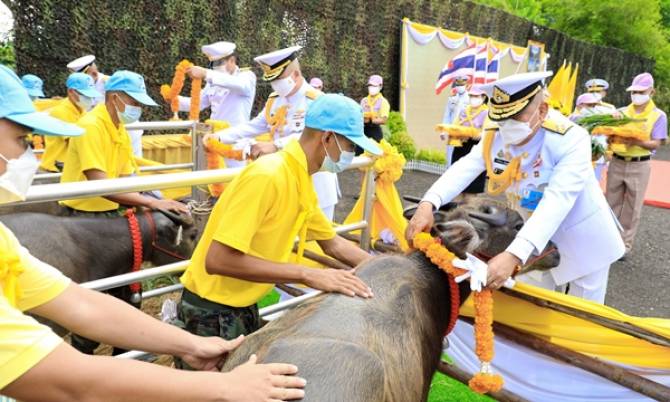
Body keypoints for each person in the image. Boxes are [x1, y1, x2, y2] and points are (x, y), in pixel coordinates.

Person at [0, 64, 306, 402]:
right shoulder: (92, 126)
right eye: (22, 140)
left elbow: (81, 304)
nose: (27, 156)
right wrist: (225, 386)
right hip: (85, 215)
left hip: (108, 216)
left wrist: (191, 344)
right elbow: (72, 383)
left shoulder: (4, 243)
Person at [176, 94, 380, 366]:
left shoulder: (299, 178)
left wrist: (389, 270)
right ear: (328, 138)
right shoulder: (268, 176)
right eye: (351, 145)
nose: (352, 155)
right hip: (210, 313)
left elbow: (333, 244)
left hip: (240, 305)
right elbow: (218, 260)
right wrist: (307, 274)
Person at [406, 71, 625, 303]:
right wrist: (429, 203)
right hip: (532, 239)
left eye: (516, 117)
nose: (507, 126)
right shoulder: (497, 134)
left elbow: (557, 200)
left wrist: (514, 253)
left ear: (542, 110)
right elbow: (465, 168)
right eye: (502, 118)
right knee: (531, 308)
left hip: (581, 239)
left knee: (580, 315)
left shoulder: (570, 139)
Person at [205, 46, 340, 220]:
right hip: (286, 181)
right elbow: (254, 126)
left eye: (279, 79)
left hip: (315, 183)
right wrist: (220, 136)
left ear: (295, 75)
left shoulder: (317, 100)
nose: (275, 85)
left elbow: (315, 135)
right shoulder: (275, 100)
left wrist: (276, 145)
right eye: (272, 80)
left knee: (317, 236)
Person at [60, 70, 188, 215]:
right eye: (135, 103)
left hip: (109, 207)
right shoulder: (91, 126)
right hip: (80, 212)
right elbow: (98, 184)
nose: (138, 109)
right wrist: (151, 202)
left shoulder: (120, 129)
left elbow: (125, 179)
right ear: (114, 98)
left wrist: (156, 201)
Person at [606, 72, 667, 258]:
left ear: (651, 92)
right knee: (610, 203)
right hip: (617, 161)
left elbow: (656, 143)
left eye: (641, 92)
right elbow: (609, 137)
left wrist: (636, 141)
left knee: (632, 208)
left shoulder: (658, 116)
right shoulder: (621, 112)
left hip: (639, 165)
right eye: (634, 92)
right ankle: (607, 241)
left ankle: (624, 245)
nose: (636, 95)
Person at [181, 41, 257, 169]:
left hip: (235, 142)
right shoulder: (213, 81)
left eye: (218, 63)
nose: (214, 67)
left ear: (232, 61)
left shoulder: (246, 77)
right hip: (213, 139)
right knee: (212, 178)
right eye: (212, 64)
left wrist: (206, 73)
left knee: (233, 179)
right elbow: (197, 103)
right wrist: (175, 100)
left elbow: (239, 84)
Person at [39, 73, 100, 173]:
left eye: (91, 96)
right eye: (85, 95)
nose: (89, 99)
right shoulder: (61, 112)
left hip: (68, 166)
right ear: (71, 92)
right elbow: (75, 141)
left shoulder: (81, 110)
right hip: (54, 169)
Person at [446, 85, 488, 200]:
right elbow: (455, 126)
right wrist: (449, 133)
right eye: (471, 96)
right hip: (461, 147)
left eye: (476, 96)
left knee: (472, 188)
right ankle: (455, 208)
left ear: (483, 97)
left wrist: (479, 135)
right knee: (456, 184)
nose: (473, 98)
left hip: (476, 149)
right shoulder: (464, 111)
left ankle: (469, 208)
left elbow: (488, 132)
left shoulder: (487, 113)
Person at [570, 93, 610, 182]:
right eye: (589, 105)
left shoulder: (598, 120)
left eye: (594, 106)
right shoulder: (572, 119)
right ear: (579, 105)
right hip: (576, 159)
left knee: (594, 183)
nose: (592, 108)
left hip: (595, 159)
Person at [358, 74, 390, 155]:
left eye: (374, 86)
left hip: (374, 131)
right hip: (362, 131)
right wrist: (363, 118)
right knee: (359, 153)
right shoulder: (364, 101)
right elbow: (359, 115)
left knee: (374, 154)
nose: (371, 88)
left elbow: (384, 120)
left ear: (380, 87)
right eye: (370, 85)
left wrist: (371, 120)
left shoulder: (383, 102)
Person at [442, 76, 470, 166]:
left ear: (466, 85)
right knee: (450, 156)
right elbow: (447, 116)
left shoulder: (470, 99)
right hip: (452, 131)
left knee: (462, 158)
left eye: (461, 85)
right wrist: (443, 131)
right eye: (458, 85)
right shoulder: (452, 99)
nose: (459, 87)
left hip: (464, 133)